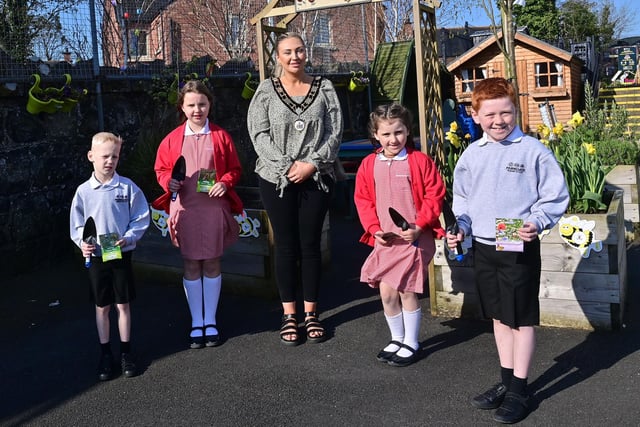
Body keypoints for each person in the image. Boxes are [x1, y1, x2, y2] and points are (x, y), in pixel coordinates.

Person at [446, 77, 569, 424]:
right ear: (476, 114)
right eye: (490, 114)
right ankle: (506, 382)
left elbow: (554, 197)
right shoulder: (472, 155)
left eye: (506, 113)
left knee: (521, 319)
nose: (499, 121)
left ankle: (520, 390)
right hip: (485, 244)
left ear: (516, 110)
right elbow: (464, 201)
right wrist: (463, 227)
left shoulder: (533, 151)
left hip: (515, 240)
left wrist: (538, 221)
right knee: (499, 317)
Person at [247, 32, 343, 346]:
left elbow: (335, 131)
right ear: (278, 56)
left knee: (310, 245)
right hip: (276, 179)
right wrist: (287, 165)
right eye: (287, 52)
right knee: (286, 246)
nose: (294, 57)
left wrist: (312, 164)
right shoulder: (266, 90)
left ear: (307, 52)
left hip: (316, 177)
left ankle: (312, 313)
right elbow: (258, 133)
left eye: (299, 50)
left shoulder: (324, 88)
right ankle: (290, 315)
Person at [354, 103, 445, 367]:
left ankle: (412, 342)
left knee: (406, 290)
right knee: (387, 293)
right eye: (386, 134)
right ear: (376, 135)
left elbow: (434, 194)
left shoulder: (419, 161)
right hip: (386, 239)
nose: (393, 139)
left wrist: (419, 225)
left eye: (399, 132)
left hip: (415, 238)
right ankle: (397, 338)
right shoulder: (369, 164)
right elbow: (363, 200)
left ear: (408, 131)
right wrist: (374, 230)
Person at [154, 80, 243, 349]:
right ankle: (196, 322)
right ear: (182, 106)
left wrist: (225, 183)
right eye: (191, 105)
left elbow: (235, 169)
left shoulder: (221, 136)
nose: (197, 110)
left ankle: (210, 320)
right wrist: (168, 181)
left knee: (213, 262)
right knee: (191, 264)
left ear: (210, 105)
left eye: (202, 104)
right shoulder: (171, 140)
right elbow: (161, 171)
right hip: (186, 209)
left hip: (214, 208)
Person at [70, 132, 150, 381]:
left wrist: (129, 237)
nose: (110, 161)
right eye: (105, 156)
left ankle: (126, 351)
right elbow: (77, 224)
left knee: (122, 304)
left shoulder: (127, 187)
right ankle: (106, 353)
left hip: (120, 254)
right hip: (96, 256)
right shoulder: (84, 191)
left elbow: (141, 216)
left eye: (114, 156)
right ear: (91, 156)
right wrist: (82, 243)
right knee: (102, 306)